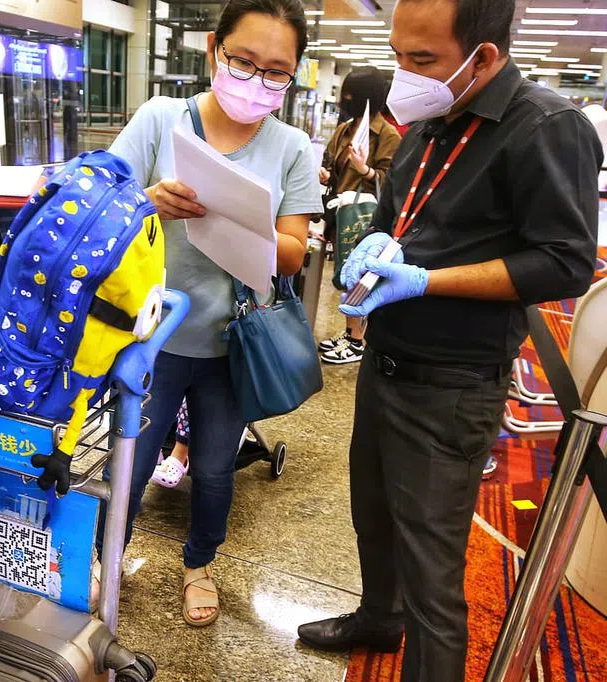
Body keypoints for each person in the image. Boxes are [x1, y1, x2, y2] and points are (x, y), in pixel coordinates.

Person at [297, 0, 602, 680]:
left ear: (483, 57)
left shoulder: (546, 127)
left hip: (453, 384)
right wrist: (376, 240)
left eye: (422, 59)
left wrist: (428, 281)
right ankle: (379, 619)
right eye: (397, 56)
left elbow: (564, 262)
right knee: (373, 516)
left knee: (431, 570)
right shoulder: (432, 120)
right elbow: (399, 210)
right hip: (386, 359)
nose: (404, 75)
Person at [97, 0, 322, 627]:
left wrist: (245, 221)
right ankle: (106, 557)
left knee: (217, 468)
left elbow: (294, 250)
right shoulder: (161, 119)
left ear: (293, 74)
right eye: (243, 61)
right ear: (214, 51)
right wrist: (148, 201)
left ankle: (199, 565)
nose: (256, 81)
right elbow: (102, 205)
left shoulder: (291, 147)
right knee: (131, 460)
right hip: (153, 337)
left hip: (232, 342)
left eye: (276, 71)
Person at [317, 67, 403, 365]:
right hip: (342, 214)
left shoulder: (387, 135)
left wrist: (365, 170)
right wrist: (326, 173)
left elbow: (391, 183)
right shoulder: (345, 129)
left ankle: (357, 340)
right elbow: (333, 164)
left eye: (350, 96)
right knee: (346, 275)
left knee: (360, 278)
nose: (345, 101)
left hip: (367, 219)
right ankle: (350, 333)